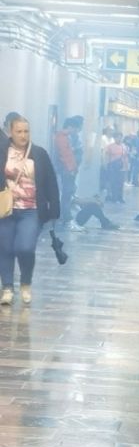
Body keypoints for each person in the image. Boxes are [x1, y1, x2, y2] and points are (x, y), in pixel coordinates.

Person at [0, 114, 59, 305]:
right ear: (10, 132)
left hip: (31, 210)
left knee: (25, 247)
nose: (23, 135)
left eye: (26, 131)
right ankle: (7, 288)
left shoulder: (39, 153)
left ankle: (26, 282)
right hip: (6, 210)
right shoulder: (2, 151)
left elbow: (50, 181)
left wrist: (54, 208)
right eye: (19, 131)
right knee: (6, 249)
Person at [53, 116, 81, 226]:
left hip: (67, 169)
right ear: (70, 126)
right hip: (66, 170)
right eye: (74, 128)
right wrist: (71, 169)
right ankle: (67, 218)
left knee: (67, 193)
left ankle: (66, 216)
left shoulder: (64, 137)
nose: (75, 131)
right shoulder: (63, 137)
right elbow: (66, 155)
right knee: (67, 194)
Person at [103, 133, 128, 203]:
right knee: (113, 182)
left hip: (121, 167)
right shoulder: (110, 146)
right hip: (112, 167)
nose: (119, 139)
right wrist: (106, 164)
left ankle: (120, 197)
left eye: (120, 137)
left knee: (120, 183)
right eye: (117, 137)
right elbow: (107, 156)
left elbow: (125, 157)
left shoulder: (124, 146)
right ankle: (114, 197)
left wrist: (126, 167)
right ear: (114, 138)